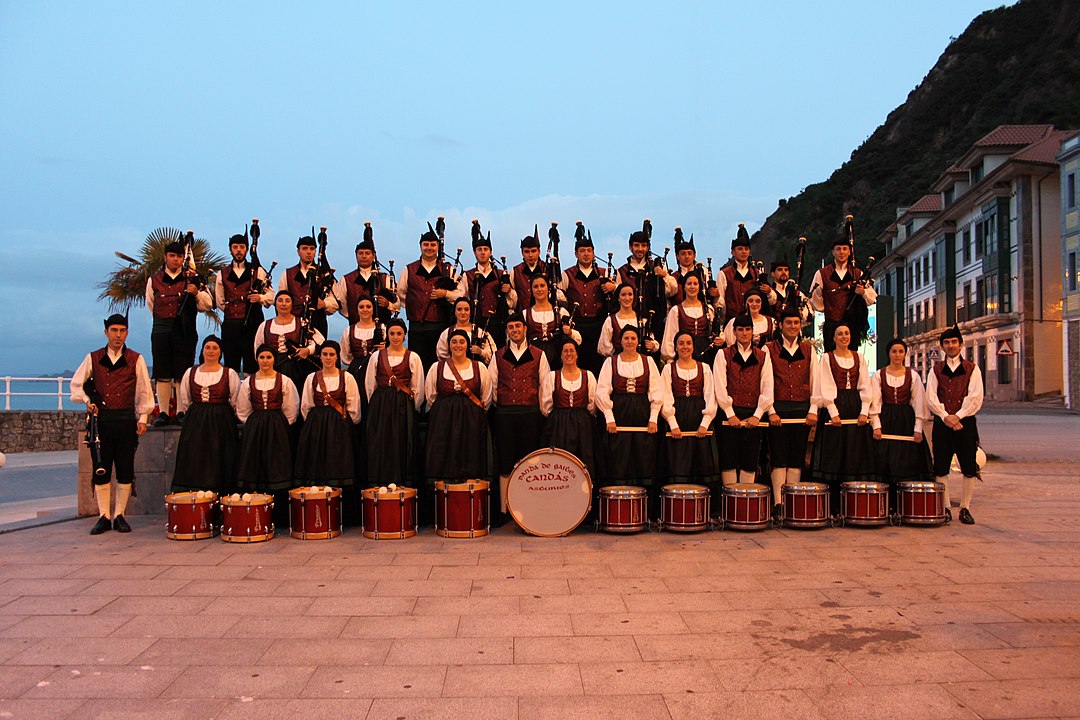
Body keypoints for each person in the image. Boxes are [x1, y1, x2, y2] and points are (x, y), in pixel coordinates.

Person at [70, 314, 154, 534]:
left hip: (126, 421)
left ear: (127, 333)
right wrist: (88, 401)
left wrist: (143, 418)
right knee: (101, 470)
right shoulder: (93, 358)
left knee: (125, 470)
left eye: (122, 331)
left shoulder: (137, 359)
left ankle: (120, 515)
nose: (118, 335)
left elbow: (144, 390)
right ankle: (104, 516)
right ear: (106, 332)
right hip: (101, 423)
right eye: (114, 330)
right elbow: (76, 385)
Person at [424, 329, 495, 525]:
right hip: (443, 423)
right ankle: (445, 514)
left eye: (461, 342)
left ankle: (470, 512)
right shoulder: (436, 368)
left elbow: (486, 398)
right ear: (449, 345)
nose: (458, 345)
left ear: (467, 344)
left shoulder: (479, 367)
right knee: (444, 457)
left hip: (472, 422)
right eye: (454, 342)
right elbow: (430, 396)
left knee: (470, 457)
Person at [596, 325, 665, 514]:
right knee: (619, 460)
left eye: (633, 338)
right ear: (620, 341)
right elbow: (602, 391)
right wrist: (609, 418)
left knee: (644, 460)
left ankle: (644, 512)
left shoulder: (648, 361)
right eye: (626, 338)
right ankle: (619, 511)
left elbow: (656, 390)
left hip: (643, 418)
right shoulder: (610, 362)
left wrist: (653, 419)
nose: (630, 341)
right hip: (618, 418)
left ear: (638, 341)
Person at [489, 313, 551, 524]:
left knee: (529, 462)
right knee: (505, 463)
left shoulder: (539, 354)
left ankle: (529, 505)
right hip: (505, 414)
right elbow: (492, 386)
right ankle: (505, 510)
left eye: (518, 326)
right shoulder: (498, 356)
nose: (515, 330)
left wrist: (540, 410)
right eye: (510, 327)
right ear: (506, 331)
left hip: (530, 413)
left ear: (525, 329)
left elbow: (545, 385)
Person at [147, 239, 213, 426]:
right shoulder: (154, 279)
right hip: (161, 330)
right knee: (162, 372)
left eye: (179, 256)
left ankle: (182, 411)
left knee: (181, 373)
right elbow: (151, 305)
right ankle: (164, 412)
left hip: (185, 331)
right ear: (165, 257)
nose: (176, 259)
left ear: (184, 258)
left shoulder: (192, 278)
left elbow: (208, 304)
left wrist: (196, 293)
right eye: (172, 256)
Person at [812, 322, 874, 516]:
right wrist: (833, 411)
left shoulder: (860, 357)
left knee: (853, 455)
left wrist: (864, 410)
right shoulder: (827, 358)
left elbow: (864, 385)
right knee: (834, 455)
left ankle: (853, 505)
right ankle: (833, 507)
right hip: (836, 409)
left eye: (847, 333)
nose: (844, 337)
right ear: (834, 338)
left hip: (855, 407)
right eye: (840, 334)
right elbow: (825, 385)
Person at [235, 344, 301, 527]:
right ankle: (255, 512)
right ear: (257, 359)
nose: (265, 361)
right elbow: (242, 408)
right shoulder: (248, 382)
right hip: (255, 427)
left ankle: (278, 516)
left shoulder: (284, 381)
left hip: (277, 427)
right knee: (255, 464)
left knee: (277, 465)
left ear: (274, 360)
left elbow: (291, 408)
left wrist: (278, 424)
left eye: (269, 357)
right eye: (262, 357)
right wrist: (256, 423)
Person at [925, 324, 984, 524]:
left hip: (965, 424)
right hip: (943, 424)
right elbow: (931, 396)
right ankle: (946, 507)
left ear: (960, 345)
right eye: (947, 343)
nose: (951, 346)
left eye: (954, 342)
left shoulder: (972, 369)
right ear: (942, 346)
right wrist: (945, 416)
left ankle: (965, 508)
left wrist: (958, 416)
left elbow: (975, 396)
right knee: (941, 466)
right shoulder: (936, 370)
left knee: (968, 466)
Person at [765, 309, 821, 519]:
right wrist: (770, 411)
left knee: (797, 456)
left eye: (796, 323)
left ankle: (793, 501)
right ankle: (779, 504)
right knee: (779, 456)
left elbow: (815, 380)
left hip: (801, 411)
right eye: (788, 323)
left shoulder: (809, 350)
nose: (792, 326)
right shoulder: (769, 348)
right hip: (778, 411)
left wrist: (813, 409)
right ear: (780, 325)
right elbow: (766, 382)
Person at [170, 335, 241, 493]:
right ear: (202, 351)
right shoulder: (191, 372)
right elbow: (185, 399)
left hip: (222, 420)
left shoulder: (229, 373)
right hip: (196, 421)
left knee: (221, 457)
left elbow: (235, 399)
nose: (211, 351)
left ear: (220, 352)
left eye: (215, 348)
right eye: (207, 347)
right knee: (195, 456)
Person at [714, 314, 774, 488]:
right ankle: (730, 504)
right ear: (734, 332)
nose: (744, 333)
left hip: (753, 417)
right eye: (740, 330)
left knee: (750, 459)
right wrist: (730, 413)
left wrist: (757, 415)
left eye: (748, 329)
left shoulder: (763, 356)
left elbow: (768, 387)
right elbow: (719, 386)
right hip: (728, 415)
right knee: (728, 459)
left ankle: (745, 504)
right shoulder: (723, 354)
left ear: (752, 331)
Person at [365, 319, 425, 488]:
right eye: (392, 333)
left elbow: (418, 387)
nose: (395, 337)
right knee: (381, 441)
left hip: (402, 405)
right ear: (387, 335)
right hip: (380, 405)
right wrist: (378, 403)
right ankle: (380, 481)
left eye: (399, 333)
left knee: (401, 441)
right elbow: (370, 384)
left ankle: (402, 482)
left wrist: (408, 406)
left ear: (404, 335)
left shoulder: (413, 357)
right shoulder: (376, 356)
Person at [295, 341, 362, 491]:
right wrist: (316, 422)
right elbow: (306, 405)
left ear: (337, 357)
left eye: (331, 354)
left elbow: (354, 407)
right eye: (325, 354)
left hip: (340, 428)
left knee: (339, 463)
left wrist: (343, 424)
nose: (328, 358)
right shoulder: (311, 378)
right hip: (316, 427)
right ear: (320, 356)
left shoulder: (347, 377)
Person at [870, 338, 933, 492]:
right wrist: (876, 425)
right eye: (894, 351)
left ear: (905, 354)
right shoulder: (879, 375)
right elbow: (875, 401)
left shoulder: (913, 376)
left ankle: (906, 498)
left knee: (907, 459)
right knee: (885, 458)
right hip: (887, 420)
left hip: (906, 420)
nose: (897, 355)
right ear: (889, 354)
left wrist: (918, 427)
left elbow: (918, 401)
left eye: (900, 351)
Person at [397, 224, 461, 369]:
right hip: (416, 329)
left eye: (433, 245)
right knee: (417, 367)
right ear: (420, 246)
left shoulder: (447, 268)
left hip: (441, 327)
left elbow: (460, 294)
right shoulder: (409, 269)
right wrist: (415, 305)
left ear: (438, 247)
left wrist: (445, 294)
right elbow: (400, 293)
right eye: (426, 244)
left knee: (439, 366)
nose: (429, 248)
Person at [661, 331, 719, 489]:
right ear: (675, 347)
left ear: (693, 346)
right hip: (677, 422)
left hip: (699, 421)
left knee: (701, 463)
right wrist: (673, 424)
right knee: (678, 464)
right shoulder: (668, 369)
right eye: (681, 343)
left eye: (688, 343)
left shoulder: (705, 368)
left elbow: (710, 396)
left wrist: (705, 424)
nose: (684, 346)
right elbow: (665, 397)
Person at [809, 218, 877, 352]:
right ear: (833, 252)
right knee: (831, 360)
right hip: (831, 325)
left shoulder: (858, 273)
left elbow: (872, 298)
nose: (841, 252)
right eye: (838, 249)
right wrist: (824, 303)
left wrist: (862, 292)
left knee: (851, 358)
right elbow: (814, 300)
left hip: (852, 325)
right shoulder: (822, 273)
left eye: (845, 249)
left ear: (849, 252)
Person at [559, 222, 617, 374]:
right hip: (576, 326)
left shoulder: (604, 273)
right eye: (582, 250)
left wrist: (614, 287)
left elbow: (622, 293)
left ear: (593, 253)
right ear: (576, 253)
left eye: (589, 251)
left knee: (597, 363)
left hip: (598, 325)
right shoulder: (567, 274)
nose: (586, 254)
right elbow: (559, 296)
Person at [215, 232, 274, 375]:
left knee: (252, 366)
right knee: (231, 366)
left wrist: (259, 298)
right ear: (230, 250)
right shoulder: (222, 274)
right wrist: (233, 310)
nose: (239, 250)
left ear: (247, 250)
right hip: (231, 324)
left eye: (242, 247)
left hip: (253, 324)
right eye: (235, 247)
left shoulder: (258, 271)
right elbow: (220, 301)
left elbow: (271, 296)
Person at [540, 337, 599, 481]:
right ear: (560, 355)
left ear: (577, 354)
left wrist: (580, 416)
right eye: (565, 351)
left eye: (572, 350)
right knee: (560, 462)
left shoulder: (588, 376)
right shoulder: (552, 376)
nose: (569, 354)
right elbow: (546, 405)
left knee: (583, 460)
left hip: (583, 425)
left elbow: (592, 404)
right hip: (558, 425)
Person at [617, 220, 677, 343]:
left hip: (653, 323)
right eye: (636, 245)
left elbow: (672, 290)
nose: (640, 249)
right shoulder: (622, 271)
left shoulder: (656, 267)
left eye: (643, 246)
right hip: (628, 322)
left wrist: (664, 275)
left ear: (648, 247)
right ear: (630, 247)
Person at [332, 222, 399, 329]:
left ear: (373, 256)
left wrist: (388, 305)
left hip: (381, 328)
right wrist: (355, 317)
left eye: (367, 253)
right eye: (360, 253)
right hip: (356, 328)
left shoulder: (384, 278)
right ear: (356, 255)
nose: (364, 256)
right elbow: (342, 305)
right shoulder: (346, 279)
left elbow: (397, 303)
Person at [461, 220, 515, 349]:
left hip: (498, 323)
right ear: (475, 253)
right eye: (479, 249)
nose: (482, 252)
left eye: (486, 249)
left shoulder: (502, 274)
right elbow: (463, 298)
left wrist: (508, 291)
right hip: (476, 323)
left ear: (490, 252)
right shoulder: (467, 275)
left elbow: (513, 302)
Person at [253, 291, 322, 389]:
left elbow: (319, 342)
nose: (284, 304)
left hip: (296, 368)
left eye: (287, 301)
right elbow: (257, 348)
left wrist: (308, 350)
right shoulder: (264, 326)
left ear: (292, 304)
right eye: (280, 301)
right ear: (275, 304)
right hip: (272, 367)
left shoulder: (302, 323)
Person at [279, 234, 339, 342]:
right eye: (304, 248)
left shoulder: (325, 273)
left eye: (312, 249)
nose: (308, 252)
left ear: (316, 251)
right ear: (298, 251)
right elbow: (280, 299)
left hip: (318, 322)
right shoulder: (288, 274)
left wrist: (324, 304)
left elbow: (336, 300)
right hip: (293, 322)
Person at [661, 271, 721, 362]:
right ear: (684, 287)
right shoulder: (676, 311)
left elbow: (716, 330)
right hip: (683, 356)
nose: (692, 287)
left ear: (699, 287)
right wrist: (670, 360)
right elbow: (670, 337)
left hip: (705, 356)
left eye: (695, 284)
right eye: (689, 284)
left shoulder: (708, 309)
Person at [524, 274, 580, 368]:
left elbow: (578, 339)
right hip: (533, 360)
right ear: (532, 290)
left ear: (548, 288)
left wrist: (569, 332)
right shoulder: (525, 314)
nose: (539, 289)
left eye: (542, 286)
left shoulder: (561, 312)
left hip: (556, 359)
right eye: (536, 286)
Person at [598, 283, 660, 359]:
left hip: (639, 362)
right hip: (619, 363)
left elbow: (650, 338)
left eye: (630, 294)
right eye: (623, 295)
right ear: (618, 298)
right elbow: (603, 347)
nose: (627, 298)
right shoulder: (610, 321)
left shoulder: (642, 319)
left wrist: (652, 344)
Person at [717, 223, 759, 323]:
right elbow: (721, 300)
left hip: (753, 321)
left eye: (746, 249)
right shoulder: (724, 274)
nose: (744, 252)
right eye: (740, 249)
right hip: (731, 321)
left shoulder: (756, 273)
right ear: (733, 252)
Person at [436, 298, 497, 364]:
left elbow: (493, 353)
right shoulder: (446, 333)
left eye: (466, 309)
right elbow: (441, 353)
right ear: (455, 312)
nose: (463, 312)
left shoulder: (480, 332)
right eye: (459, 309)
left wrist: (481, 352)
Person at [670, 227, 718, 307]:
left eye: (689, 253)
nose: (687, 257)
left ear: (694, 256)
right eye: (683, 254)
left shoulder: (703, 275)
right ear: (677, 257)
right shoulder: (674, 278)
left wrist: (715, 293)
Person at [765, 256, 812, 332]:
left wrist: (801, 315)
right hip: (774, 333)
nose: (783, 272)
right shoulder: (768, 293)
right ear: (773, 273)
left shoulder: (797, 293)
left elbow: (808, 314)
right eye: (780, 270)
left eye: (786, 270)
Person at [509, 229, 548, 312]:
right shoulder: (515, 271)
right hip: (522, 317)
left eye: (533, 251)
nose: (530, 255)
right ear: (522, 253)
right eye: (527, 252)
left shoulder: (548, 268)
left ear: (539, 251)